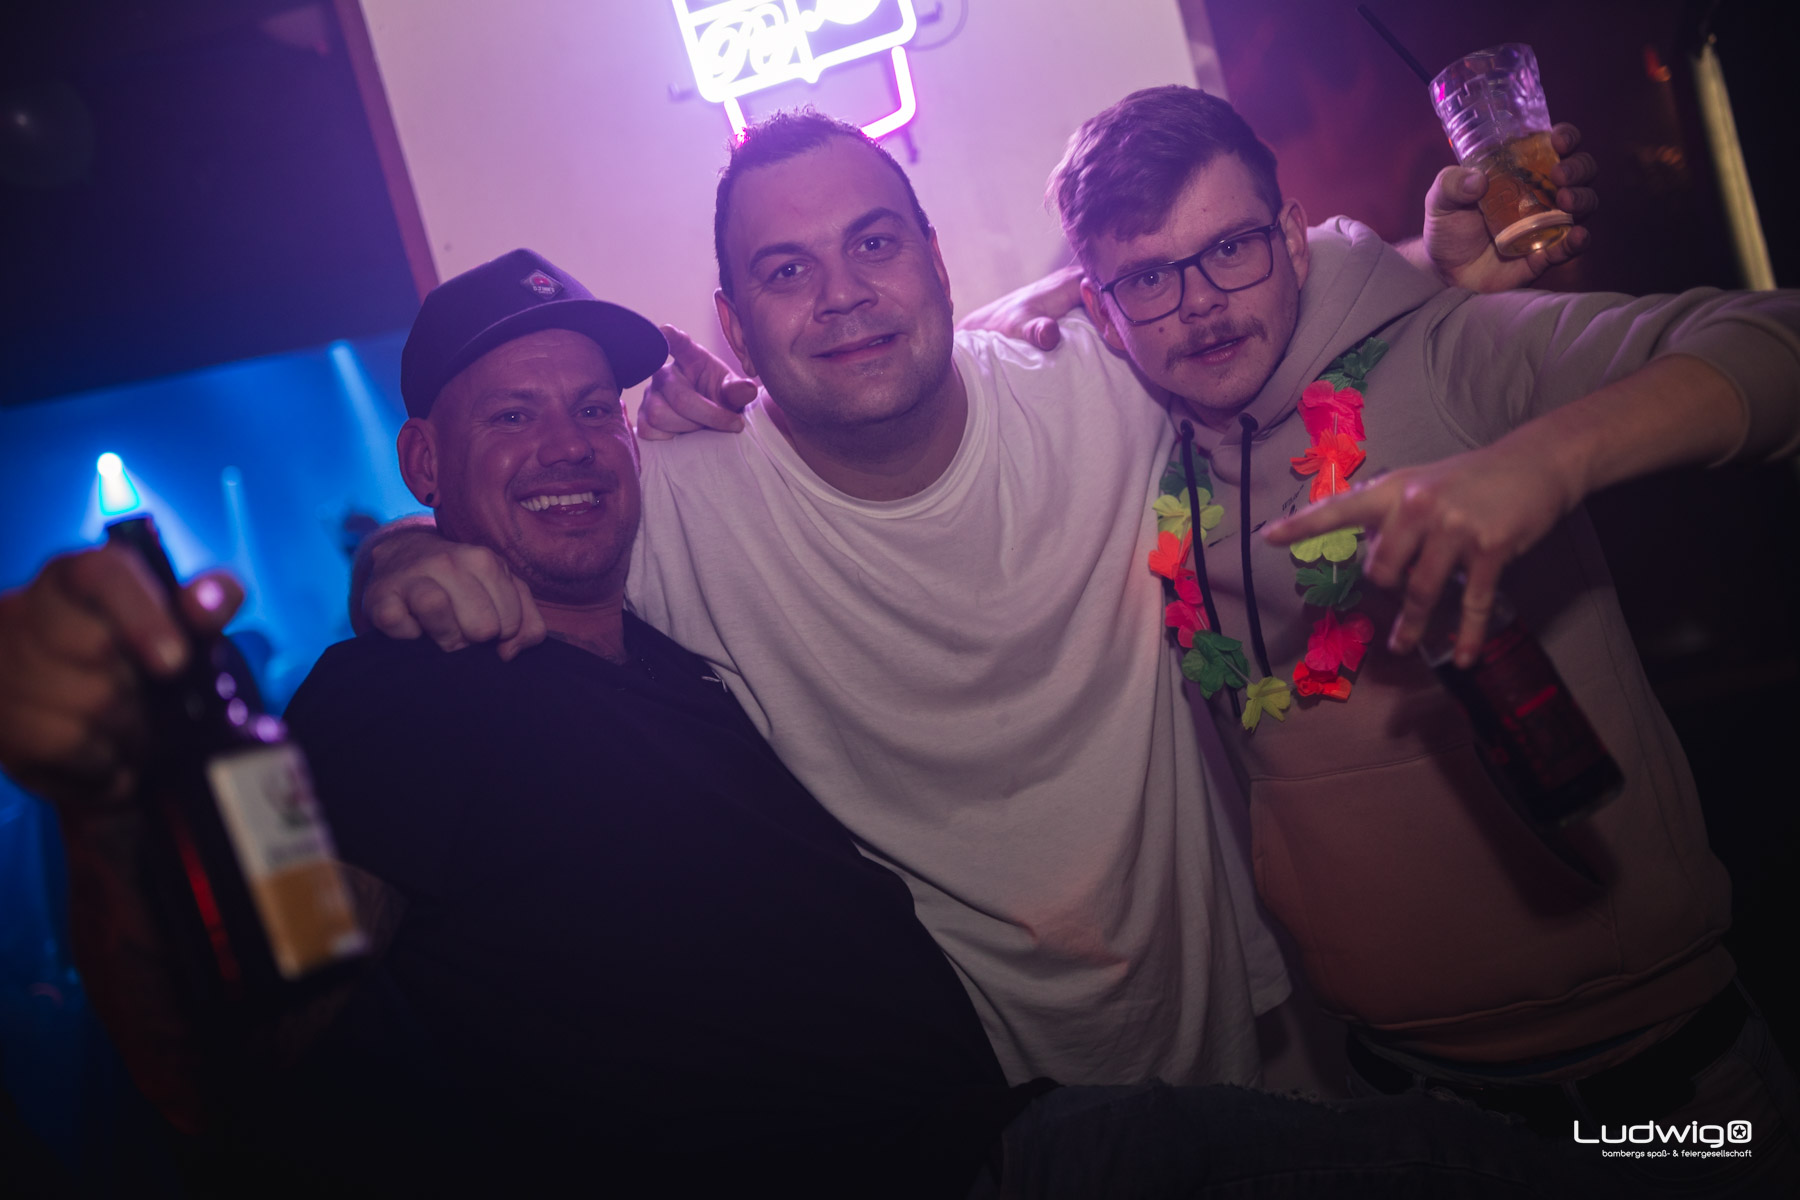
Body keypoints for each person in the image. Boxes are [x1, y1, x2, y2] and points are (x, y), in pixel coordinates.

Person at [0, 250, 1628, 1198]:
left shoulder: (663, 645)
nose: (569, 444)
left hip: (994, 1137)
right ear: (423, 462)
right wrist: (107, 813)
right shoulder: (396, 697)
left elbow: (869, 387)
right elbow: (251, 1043)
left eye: (592, 407)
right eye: (512, 416)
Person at [356, 109, 1598, 1093]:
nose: (843, 293)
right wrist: (396, 562)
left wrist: (1426, 268)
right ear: (732, 326)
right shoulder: (669, 501)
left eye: (874, 243)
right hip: (966, 1114)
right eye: (787, 270)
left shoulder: (1099, 387)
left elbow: (1248, 298)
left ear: (937, 259)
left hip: (1250, 1052)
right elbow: (522, 524)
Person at [1031, 86, 1799, 1187]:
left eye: (1232, 249)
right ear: (1107, 314)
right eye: (1151, 278)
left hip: (1651, 1099)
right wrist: (1039, 301)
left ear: (1292, 236)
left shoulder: (1446, 353)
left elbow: (1776, 339)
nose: (1200, 305)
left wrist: (1538, 465)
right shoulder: (1150, 433)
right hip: (1397, 1109)